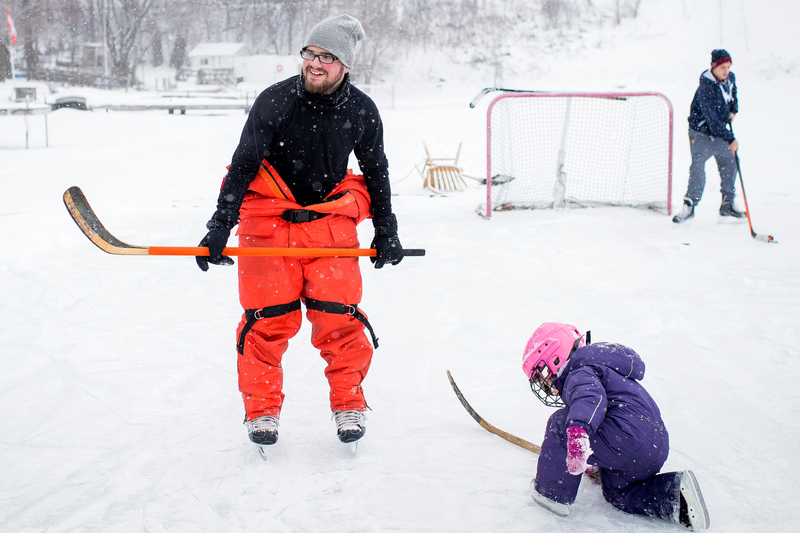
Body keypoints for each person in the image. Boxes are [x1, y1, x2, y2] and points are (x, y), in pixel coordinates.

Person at [195, 14, 404, 450]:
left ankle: (349, 403)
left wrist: (386, 231)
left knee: (341, 322)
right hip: (268, 225)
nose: (314, 63)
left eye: (326, 57)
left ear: (345, 64)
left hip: (329, 227)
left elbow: (376, 172)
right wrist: (219, 227)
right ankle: (262, 412)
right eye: (310, 53)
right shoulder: (274, 101)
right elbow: (244, 162)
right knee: (265, 323)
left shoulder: (362, 110)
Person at [522, 323, 709, 531]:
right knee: (618, 494)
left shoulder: (579, 372)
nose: (548, 387)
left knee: (560, 426)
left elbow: (590, 399)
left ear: (555, 359)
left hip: (625, 437)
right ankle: (674, 495)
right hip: (653, 446)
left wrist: (577, 435)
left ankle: (551, 494)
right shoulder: (603, 366)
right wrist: (594, 459)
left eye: (543, 377)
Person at [673, 49, 744, 224]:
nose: (726, 71)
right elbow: (711, 120)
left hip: (719, 130)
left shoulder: (730, 78)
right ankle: (689, 205)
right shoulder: (705, 88)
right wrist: (730, 139)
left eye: (728, 67)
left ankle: (728, 204)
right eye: (722, 67)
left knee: (730, 162)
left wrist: (733, 111)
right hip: (701, 132)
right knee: (698, 166)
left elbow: (733, 97)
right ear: (713, 68)